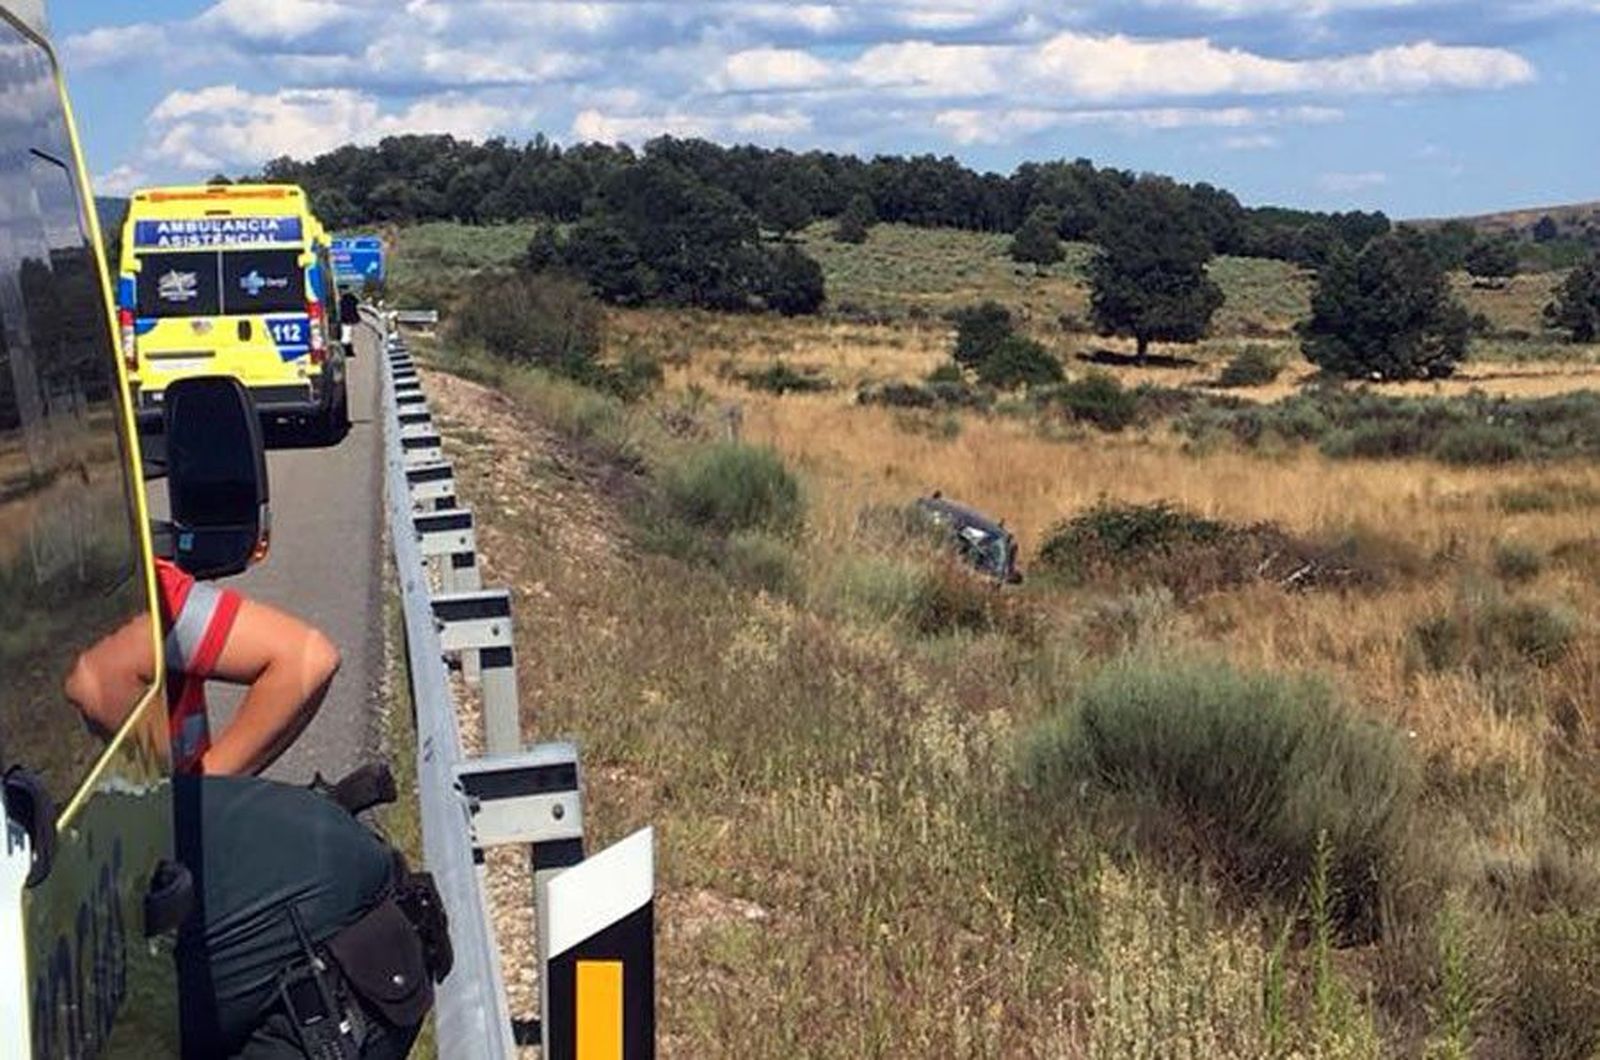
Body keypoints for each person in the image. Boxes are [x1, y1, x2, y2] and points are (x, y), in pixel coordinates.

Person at [64, 557, 341, 776]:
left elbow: (309, 659)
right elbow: (307, 658)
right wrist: (208, 790)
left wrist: (202, 792)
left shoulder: (145, 591)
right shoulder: (147, 587)